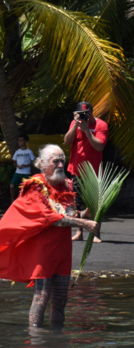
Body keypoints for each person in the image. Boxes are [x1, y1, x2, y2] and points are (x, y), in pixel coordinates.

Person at [0, 145, 99, 327]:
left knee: (61, 300)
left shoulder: (65, 185)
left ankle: (56, 343)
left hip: (62, 251)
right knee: (41, 297)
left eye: (62, 160)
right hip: (42, 252)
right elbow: (50, 218)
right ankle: (36, 342)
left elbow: (70, 215)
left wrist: (89, 213)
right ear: (42, 164)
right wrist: (84, 224)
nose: (61, 164)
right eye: (56, 161)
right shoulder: (35, 186)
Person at [64, 101, 108, 242]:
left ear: (91, 112)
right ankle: (79, 233)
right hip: (77, 169)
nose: (85, 117)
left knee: (95, 204)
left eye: (86, 114)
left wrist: (87, 131)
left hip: (94, 170)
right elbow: (66, 141)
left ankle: (96, 234)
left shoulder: (101, 125)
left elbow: (99, 147)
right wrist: (76, 125)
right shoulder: (74, 123)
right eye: (81, 114)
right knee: (77, 204)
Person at [10, 134, 35, 201]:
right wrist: (17, 166)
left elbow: (33, 162)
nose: (20, 142)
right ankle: (12, 200)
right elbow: (14, 161)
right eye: (19, 141)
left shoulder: (29, 152)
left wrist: (26, 165)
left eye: (21, 140)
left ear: (26, 141)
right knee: (12, 185)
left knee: (25, 187)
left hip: (26, 172)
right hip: (18, 172)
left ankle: (24, 200)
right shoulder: (17, 152)